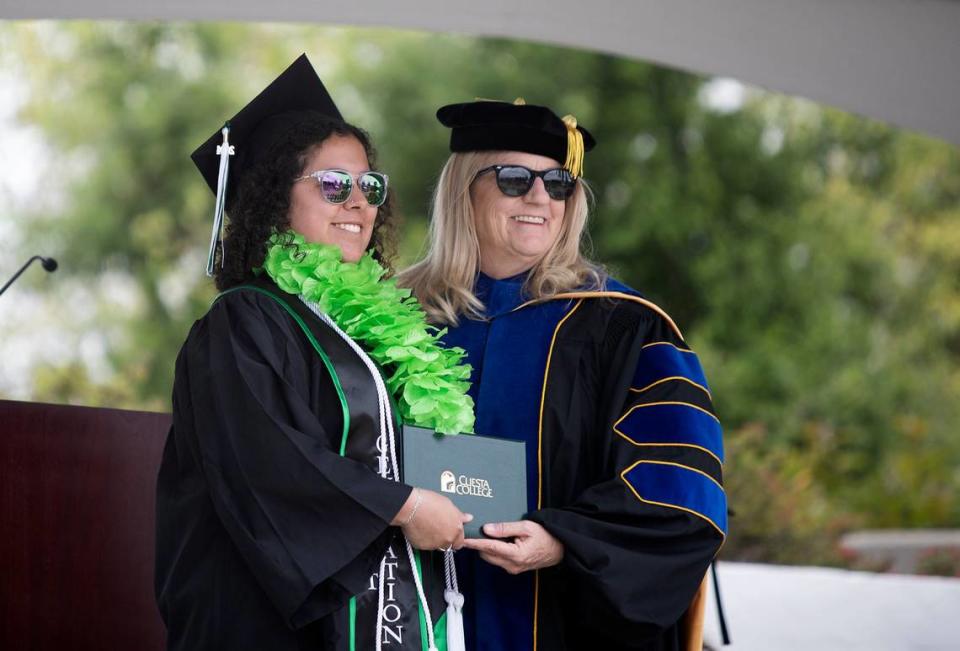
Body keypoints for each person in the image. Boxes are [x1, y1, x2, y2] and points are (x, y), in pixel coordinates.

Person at [155, 55, 474, 651]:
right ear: (275, 199)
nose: (358, 201)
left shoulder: (371, 332)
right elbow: (270, 463)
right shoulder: (242, 323)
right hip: (266, 625)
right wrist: (405, 508)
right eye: (332, 184)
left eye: (368, 185)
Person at [399, 98, 727, 650]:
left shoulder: (623, 327)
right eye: (513, 178)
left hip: (562, 624)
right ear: (463, 189)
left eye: (558, 184)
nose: (538, 197)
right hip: (411, 616)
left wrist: (564, 540)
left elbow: (682, 493)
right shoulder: (396, 318)